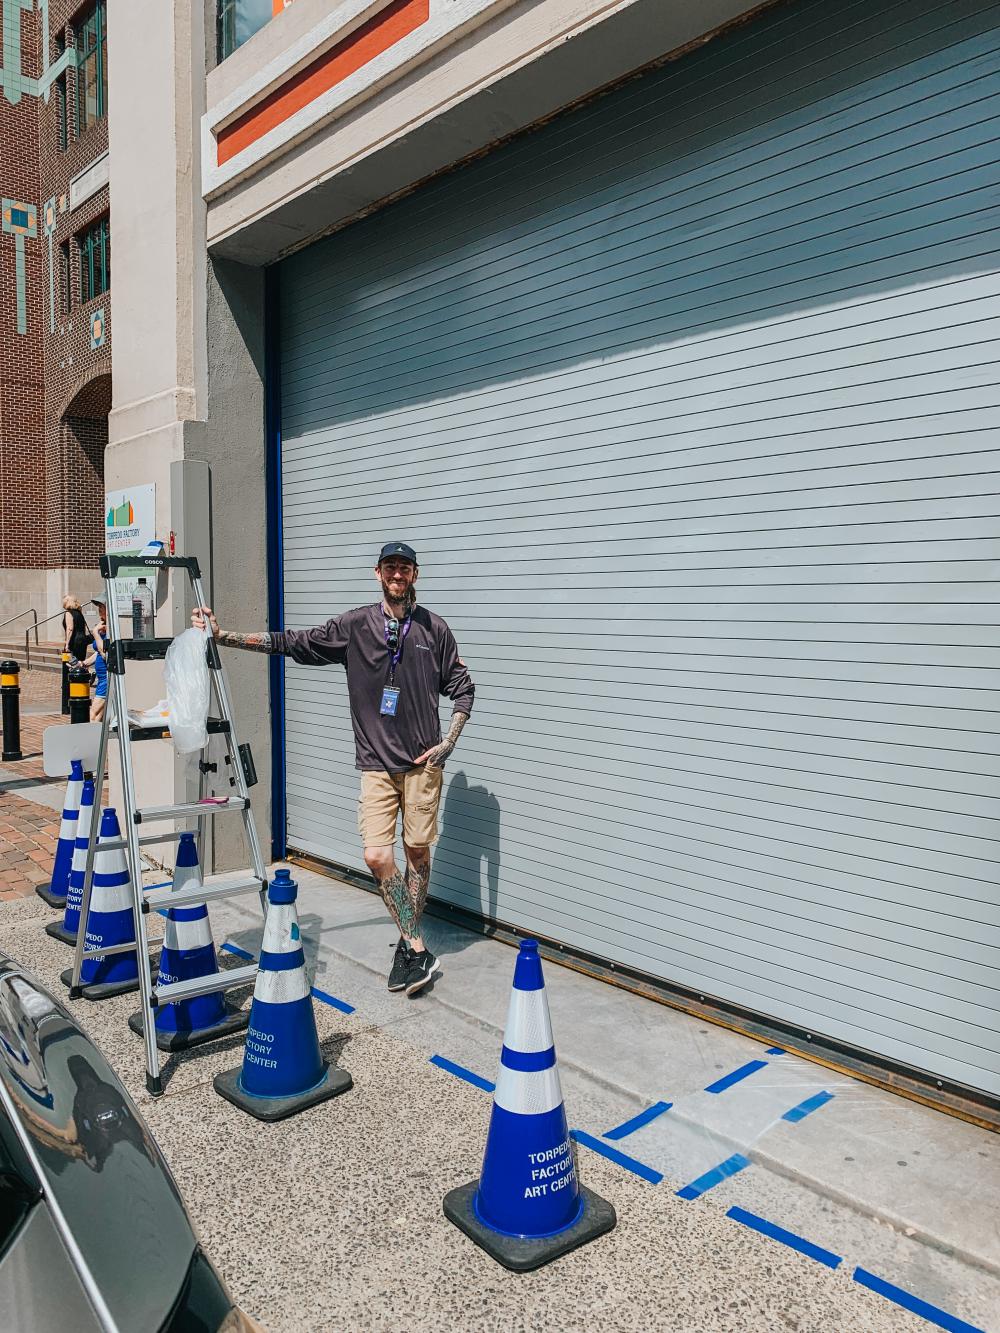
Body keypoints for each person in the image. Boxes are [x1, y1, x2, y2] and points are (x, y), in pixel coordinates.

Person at [192, 542, 474, 996]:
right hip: (375, 765)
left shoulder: (434, 629)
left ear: (415, 575)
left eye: (405, 567)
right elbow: (291, 643)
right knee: (378, 856)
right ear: (378, 573)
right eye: (390, 567)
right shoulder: (355, 626)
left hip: (423, 766)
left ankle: (409, 946)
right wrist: (224, 637)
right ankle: (417, 946)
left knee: (417, 853)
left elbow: (463, 688)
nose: (397, 574)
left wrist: (449, 742)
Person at [85, 600, 109, 721]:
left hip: (107, 679)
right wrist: (85, 663)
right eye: (98, 608)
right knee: (99, 716)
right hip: (101, 679)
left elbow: (105, 654)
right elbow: (98, 653)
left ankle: (90, 739)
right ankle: (98, 739)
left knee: (93, 715)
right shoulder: (103, 626)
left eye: (101, 607)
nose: (99, 610)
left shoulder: (111, 629)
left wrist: (95, 633)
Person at [62, 595, 90, 664]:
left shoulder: (68, 613)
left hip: (73, 642)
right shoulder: (79, 613)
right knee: (80, 662)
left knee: (68, 663)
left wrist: (67, 644)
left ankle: (67, 675)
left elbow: (70, 629)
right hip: (82, 641)